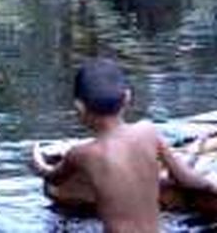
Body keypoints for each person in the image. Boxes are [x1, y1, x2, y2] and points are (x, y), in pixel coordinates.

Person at [32, 58, 217, 232]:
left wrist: (38, 163)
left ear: (79, 107)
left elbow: (54, 178)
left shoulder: (82, 154)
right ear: (127, 98)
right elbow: (186, 179)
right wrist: (211, 188)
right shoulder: (149, 132)